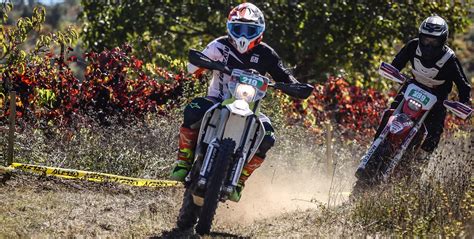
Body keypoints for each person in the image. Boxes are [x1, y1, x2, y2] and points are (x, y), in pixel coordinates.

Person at [170, 3, 299, 202]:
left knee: (268, 136)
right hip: (217, 99)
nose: (244, 35)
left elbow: (284, 75)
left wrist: (294, 85)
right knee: (193, 110)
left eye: (250, 30)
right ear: (230, 27)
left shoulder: (267, 54)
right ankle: (183, 162)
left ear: (260, 31)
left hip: (251, 108)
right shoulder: (219, 45)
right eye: (239, 29)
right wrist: (202, 64)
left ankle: (240, 180)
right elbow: (192, 68)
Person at [374, 15, 471, 156]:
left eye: (434, 41)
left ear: (442, 40)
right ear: (420, 37)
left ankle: (418, 167)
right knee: (390, 113)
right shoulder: (413, 46)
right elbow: (396, 64)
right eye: (426, 40)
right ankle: (374, 147)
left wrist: (463, 103)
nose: (429, 45)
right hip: (412, 88)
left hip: (437, 99)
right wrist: (392, 72)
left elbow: (463, 86)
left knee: (433, 135)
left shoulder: (449, 59)